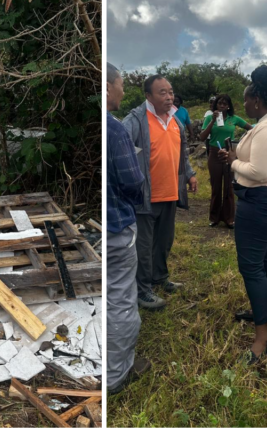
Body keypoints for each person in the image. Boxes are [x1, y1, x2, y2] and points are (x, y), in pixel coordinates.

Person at [218, 65, 267, 364]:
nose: (243, 105)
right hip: (263, 198)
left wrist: (233, 162)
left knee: (251, 265)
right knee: (264, 255)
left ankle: (262, 338)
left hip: (259, 199)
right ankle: (263, 309)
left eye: (246, 100)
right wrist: (235, 158)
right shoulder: (265, 124)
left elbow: (258, 172)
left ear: (257, 99)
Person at [123, 75, 198, 310]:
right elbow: (122, 155)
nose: (169, 97)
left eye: (171, 92)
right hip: (145, 197)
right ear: (148, 96)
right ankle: (142, 290)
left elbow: (182, 152)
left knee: (164, 242)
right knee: (143, 247)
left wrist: (190, 173)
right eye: (162, 93)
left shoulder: (175, 120)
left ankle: (160, 278)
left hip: (170, 194)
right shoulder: (135, 121)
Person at [105, 63, 149, 393]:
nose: (123, 91)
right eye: (120, 85)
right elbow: (133, 180)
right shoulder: (116, 129)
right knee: (120, 298)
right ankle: (116, 374)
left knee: (107, 295)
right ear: (107, 87)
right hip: (117, 226)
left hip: (100, 227)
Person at [199, 94, 252, 228]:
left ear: (228, 106)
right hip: (214, 153)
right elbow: (202, 136)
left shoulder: (234, 119)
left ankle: (229, 219)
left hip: (229, 153)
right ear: (216, 105)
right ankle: (214, 217)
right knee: (216, 187)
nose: (222, 106)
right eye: (219, 103)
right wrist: (212, 121)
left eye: (224, 104)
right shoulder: (210, 118)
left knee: (229, 186)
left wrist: (242, 145)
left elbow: (251, 129)